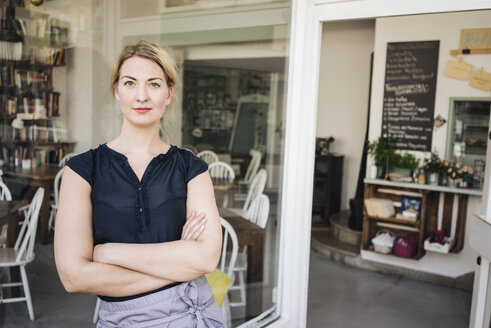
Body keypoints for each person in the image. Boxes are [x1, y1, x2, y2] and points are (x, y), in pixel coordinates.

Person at [54, 40, 224, 327]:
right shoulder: (82, 170)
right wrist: (180, 262)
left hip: (189, 315)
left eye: (154, 84)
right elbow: (74, 277)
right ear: (116, 91)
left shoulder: (191, 168)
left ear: (169, 93)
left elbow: (206, 259)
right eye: (130, 83)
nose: (142, 95)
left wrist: (108, 252)